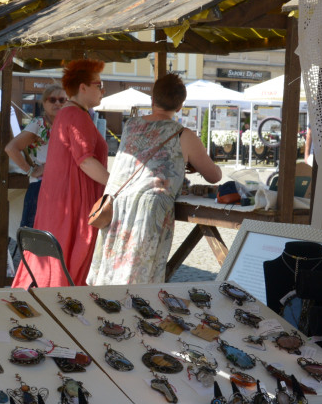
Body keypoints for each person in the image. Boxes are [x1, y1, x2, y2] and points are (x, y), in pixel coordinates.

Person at [87, 73, 222, 286]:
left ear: (153, 99)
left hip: (118, 206)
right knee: (138, 279)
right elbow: (214, 176)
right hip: (150, 211)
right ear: (180, 106)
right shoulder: (183, 134)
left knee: (113, 275)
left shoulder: (131, 126)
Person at [12, 59, 109, 288]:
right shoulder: (75, 115)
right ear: (83, 87)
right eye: (99, 85)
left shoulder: (70, 113)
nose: (103, 91)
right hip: (73, 203)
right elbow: (85, 161)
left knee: (55, 264)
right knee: (65, 268)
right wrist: (117, 185)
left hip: (64, 201)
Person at [5, 84, 65, 232]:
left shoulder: (69, 125)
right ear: (44, 103)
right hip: (41, 186)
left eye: (62, 100)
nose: (57, 103)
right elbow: (11, 148)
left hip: (64, 186)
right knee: (34, 232)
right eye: (52, 100)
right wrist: (30, 170)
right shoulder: (39, 124)